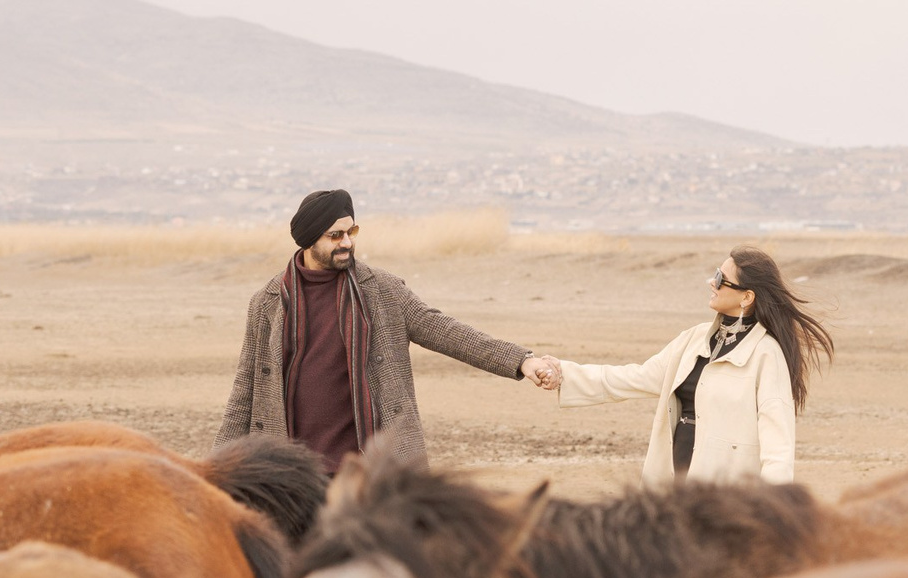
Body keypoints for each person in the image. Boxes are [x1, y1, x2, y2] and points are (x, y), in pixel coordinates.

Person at [219, 189, 563, 471]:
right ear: (309, 240)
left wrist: (521, 361)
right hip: (294, 473)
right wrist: (214, 472)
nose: (347, 243)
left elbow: (445, 330)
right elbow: (245, 391)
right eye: (335, 235)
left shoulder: (381, 290)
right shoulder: (268, 302)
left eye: (351, 232)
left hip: (370, 470)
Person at [538, 246, 831, 486]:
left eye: (720, 278)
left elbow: (777, 447)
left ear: (747, 296)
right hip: (675, 479)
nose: (711, 283)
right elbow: (635, 377)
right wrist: (564, 372)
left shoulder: (766, 355)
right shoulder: (693, 339)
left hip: (728, 494)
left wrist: (775, 511)